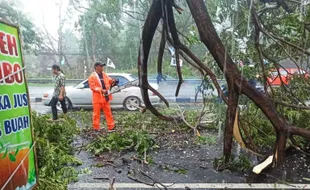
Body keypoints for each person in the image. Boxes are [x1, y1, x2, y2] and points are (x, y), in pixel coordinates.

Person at [88, 62, 117, 132]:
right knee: (96, 114)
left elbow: (109, 81)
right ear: (96, 67)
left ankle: (111, 127)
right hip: (97, 98)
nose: (102, 68)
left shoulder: (104, 74)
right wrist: (101, 90)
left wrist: (113, 80)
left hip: (105, 97)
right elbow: (93, 87)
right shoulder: (92, 77)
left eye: (102, 66)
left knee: (108, 112)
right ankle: (96, 128)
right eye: (100, 66)